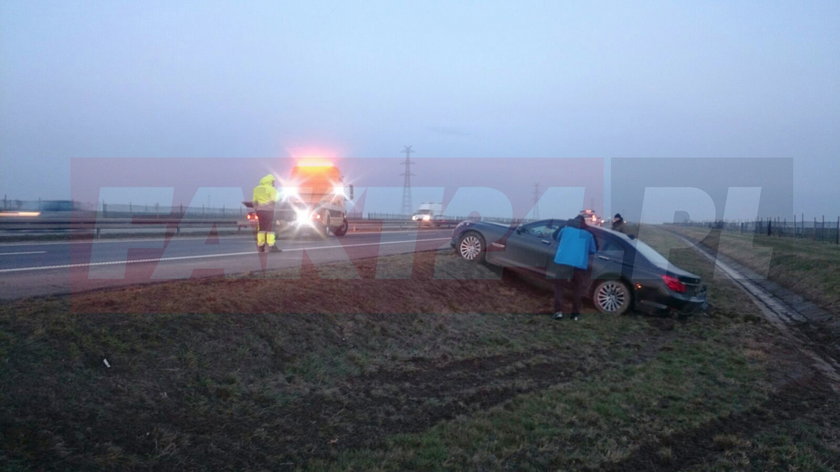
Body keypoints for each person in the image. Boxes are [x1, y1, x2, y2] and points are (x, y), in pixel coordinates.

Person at [552, 215, 597, 321]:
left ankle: (558, 312)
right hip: (579, 264)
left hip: (563, 262)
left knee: (559, 287)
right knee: (577, 289)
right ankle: (575, 314)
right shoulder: (588, 235)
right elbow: (593, 250)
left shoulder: (565, 230)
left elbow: (556, 238)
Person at [252, 174, 281, 253]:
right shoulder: (272, 189)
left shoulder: (256, 189)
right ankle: (270, 245)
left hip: (259, 211)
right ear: (270, 181)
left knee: (261, 228)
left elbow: (254, 201)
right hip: (269, 211)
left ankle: (261, 245)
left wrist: (257, 209)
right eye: (273, 182)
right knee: (270, 229)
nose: (274, 183)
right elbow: (274, 200)